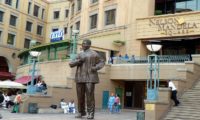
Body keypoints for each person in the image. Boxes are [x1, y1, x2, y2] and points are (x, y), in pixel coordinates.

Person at [69, 39, 105, 119]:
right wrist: (78, 61)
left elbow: (102, 62)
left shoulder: (94, 54)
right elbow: (71, 64)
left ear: (89, 45)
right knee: (80, 96)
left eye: (84, 44)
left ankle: (90, 113)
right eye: (82, 44)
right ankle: (81, 112)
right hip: (80, 77)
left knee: (90, 96)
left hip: (90, 77)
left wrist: (96, 67)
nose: (83, 45)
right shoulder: (79, 54)